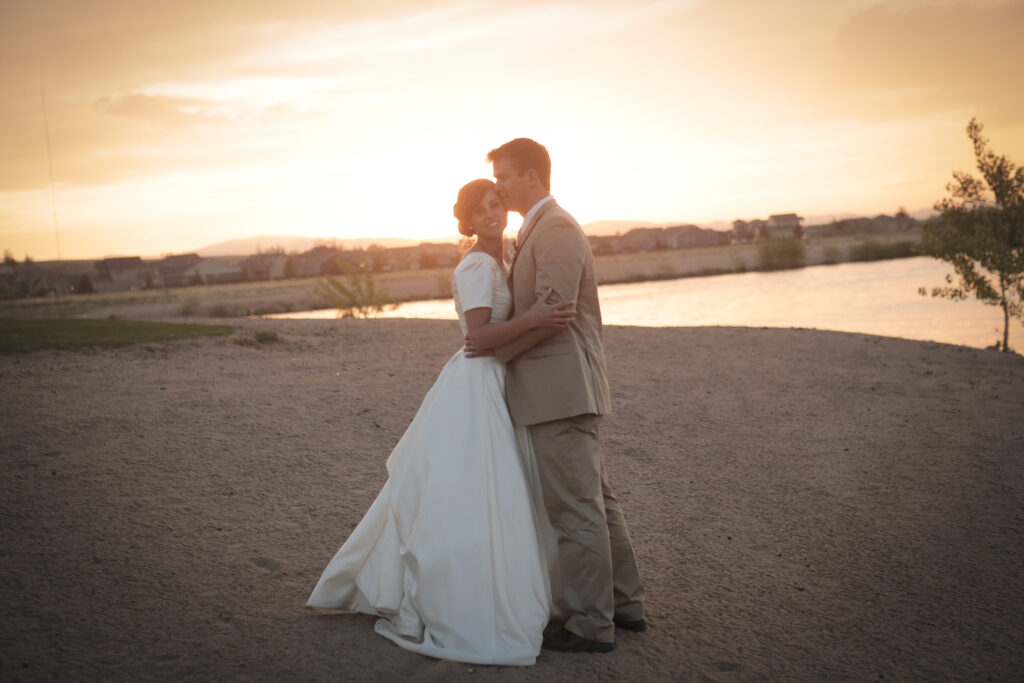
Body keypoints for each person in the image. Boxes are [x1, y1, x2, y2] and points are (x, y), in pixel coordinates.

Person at [306, 179, 576, 666]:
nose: (493, 213)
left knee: (500, 489)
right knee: (473, 492)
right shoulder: (476, 265)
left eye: (497, 205)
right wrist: (537, 319)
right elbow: (479, 335)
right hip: (475, 386)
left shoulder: (504, 259)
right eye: (481, 209)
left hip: (497, 381)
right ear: (467, 220)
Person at [470, 138, 646, 653]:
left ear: (531, 176)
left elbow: (554, 313)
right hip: (559, 389)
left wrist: (493, 352)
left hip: (561, 389)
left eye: (504, 176)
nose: (498, 186)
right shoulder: (535, 229)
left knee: (575, 510)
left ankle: (591, 624)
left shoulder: (558, 229)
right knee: (596, 502)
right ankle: (625, 604)